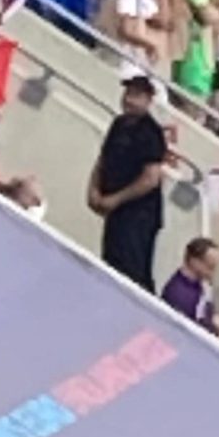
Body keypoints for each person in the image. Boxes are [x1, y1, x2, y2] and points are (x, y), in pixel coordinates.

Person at [87, 75, 172, 291]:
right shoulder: (119, 124)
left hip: (138, 215)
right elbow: (103, 160)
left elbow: (150, 178)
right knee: (111, 263)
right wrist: (94, 190)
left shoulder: (151, 133)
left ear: (148, 100)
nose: (128, 100)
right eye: (128, 94)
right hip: (116, 211)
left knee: (132, 272)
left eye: (136, 95)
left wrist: (115, 199)